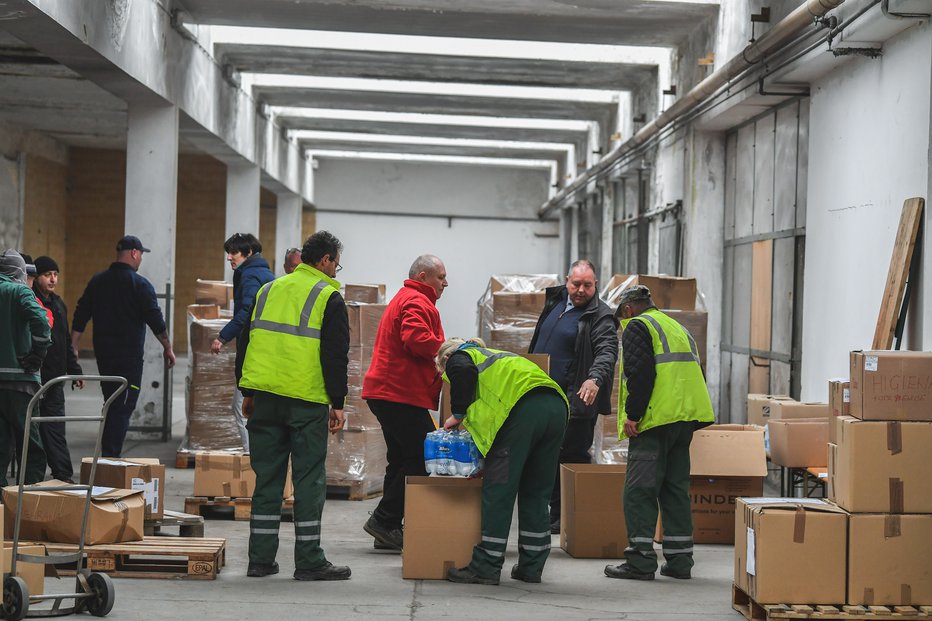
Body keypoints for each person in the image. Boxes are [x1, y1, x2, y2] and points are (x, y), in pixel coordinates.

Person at [239, 230, 351, 581]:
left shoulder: (268, 289)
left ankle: (260, 560)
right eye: (336, 262)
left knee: (267, 479)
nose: (337, 270)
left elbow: (247, 339)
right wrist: (338, 402)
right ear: (325, 260)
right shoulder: (328, 297)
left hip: (266, 398)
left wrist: (247, 391)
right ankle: (309, 561)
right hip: (305, 401)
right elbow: (335, 355)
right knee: (308, 481)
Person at [437, 338, 568, 585]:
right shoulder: (499, 359)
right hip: (556, 407)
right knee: (536, 491)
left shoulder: (461, 356)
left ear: (445, 360)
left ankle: (486, 567)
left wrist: (458, 414)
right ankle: (531, 567)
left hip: (522, 411)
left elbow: (462, 371)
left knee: (499, 490)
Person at [604, 285, 714, 581]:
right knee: (675, 489)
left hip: (656, 421)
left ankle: (640, 560)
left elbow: (640, 373)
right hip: (684, 420)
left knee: (639, 490)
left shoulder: (639, 326)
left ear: (628, 310)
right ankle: (680, 562)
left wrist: (633, 415)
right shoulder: (676, 326)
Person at [360, 254, 447, 551]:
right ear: (423, 277)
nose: (446, 283)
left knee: (400, 459)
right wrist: (451, 350)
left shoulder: (410, 297)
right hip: (398, 393)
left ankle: (389, 528)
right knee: (422, 457)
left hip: (391, 392)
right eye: (441, 277)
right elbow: (416, 339)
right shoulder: (416, 301)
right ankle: (384, 521)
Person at [528, 259, 618, 532]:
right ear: (567, 281)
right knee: (548, 457)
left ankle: (565, 516)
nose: (580, 290)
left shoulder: (600, 315)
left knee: (571, 457)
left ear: (596, 285)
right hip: (544, 397)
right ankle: (552, 513)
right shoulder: (556, 303)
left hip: (576, 401)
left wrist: (594, 378)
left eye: (587, 285)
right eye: (576, 284)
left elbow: (607, 351)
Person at [71, 235, 176, 457]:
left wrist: (74, 345)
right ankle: (110, 459)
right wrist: (167, 346)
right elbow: (155, 320)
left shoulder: (97, 281)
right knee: (123, 406)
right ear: (135, 253)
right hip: (128, 359)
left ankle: (107, 456)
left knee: (111, 403)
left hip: (104, 355)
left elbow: (81, 313)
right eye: (141, 256)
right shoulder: (140, 284)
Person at [210, 233, 274, 452]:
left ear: (248, 253)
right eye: (228, 252)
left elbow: (247, 311)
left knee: (242, 407)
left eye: (234, 252)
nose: (229, 257)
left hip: (254, 350)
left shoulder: (250, 275)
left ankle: (250, 457)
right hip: (264, 349)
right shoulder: (263, 272)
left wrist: (222, 336)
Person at [32, 256, 84, 483]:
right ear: (36, 278)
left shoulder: (58, 304)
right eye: (47, 275)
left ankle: (62, 474)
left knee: (54, 428)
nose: (53, 279)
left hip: (55, 379)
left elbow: (64, 341)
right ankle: (33, 477)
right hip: (34, 379)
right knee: (34, 430)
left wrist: (75, 370)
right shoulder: (30, 302)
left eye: (55, 274)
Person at [0, 250, 49, 486]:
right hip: (21, 383)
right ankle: (29, 502)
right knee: (31, 447)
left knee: (1, 447)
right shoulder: (19, 291)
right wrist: (38, 354)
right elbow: (41, 320)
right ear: (19, 271)